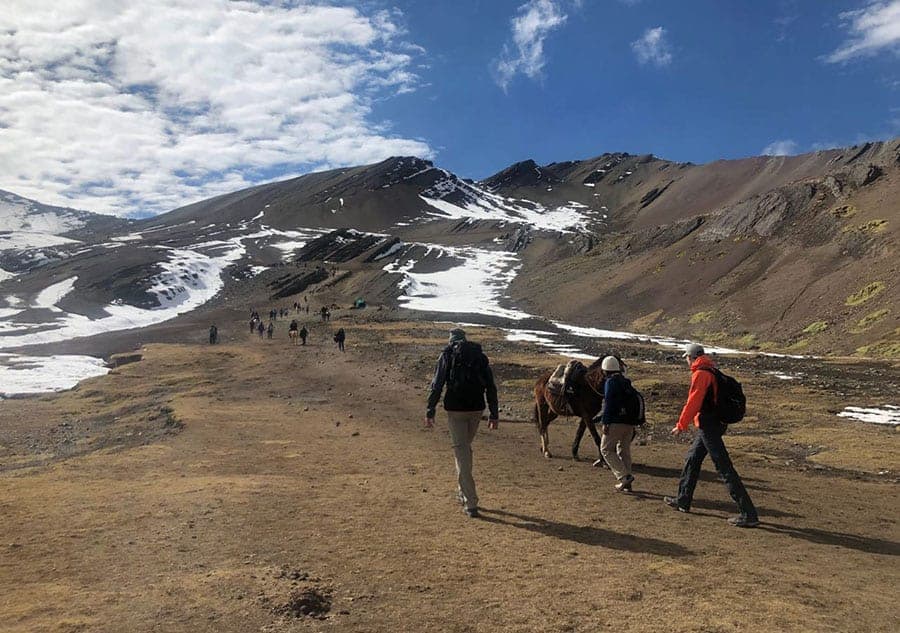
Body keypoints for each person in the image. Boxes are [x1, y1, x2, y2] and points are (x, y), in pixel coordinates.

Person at [665, 343, 759, 528]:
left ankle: (748, 513)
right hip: (713, 424)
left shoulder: (701, 374)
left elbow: (693, 402)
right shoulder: (712, 370)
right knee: (692, 459)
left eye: (686, 357)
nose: (685, 360)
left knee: (724, 468)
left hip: (709, 426)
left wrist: (681, 425)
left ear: (691, 357)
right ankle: (683, 500)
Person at [425, 328, 499, 518]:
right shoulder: (478, 356)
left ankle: (471, 502)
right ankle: (462, 490)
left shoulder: (447, 355)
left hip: (455, 410)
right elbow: (490, 386)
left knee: (461, 454)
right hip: (477, 409)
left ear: (451, 341)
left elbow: (437, 383)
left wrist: (430, 409)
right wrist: (493, 414)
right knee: (464, 450)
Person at [597, 356, 639, 492]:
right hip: (630, 423)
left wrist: (605, 422)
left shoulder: (610, 382)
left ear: (605, 370)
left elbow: (609, 403)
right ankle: (628, 483)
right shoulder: (626, 382)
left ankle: (623, 477)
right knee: (624, 450)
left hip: (616, 422)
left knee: (606, 449)